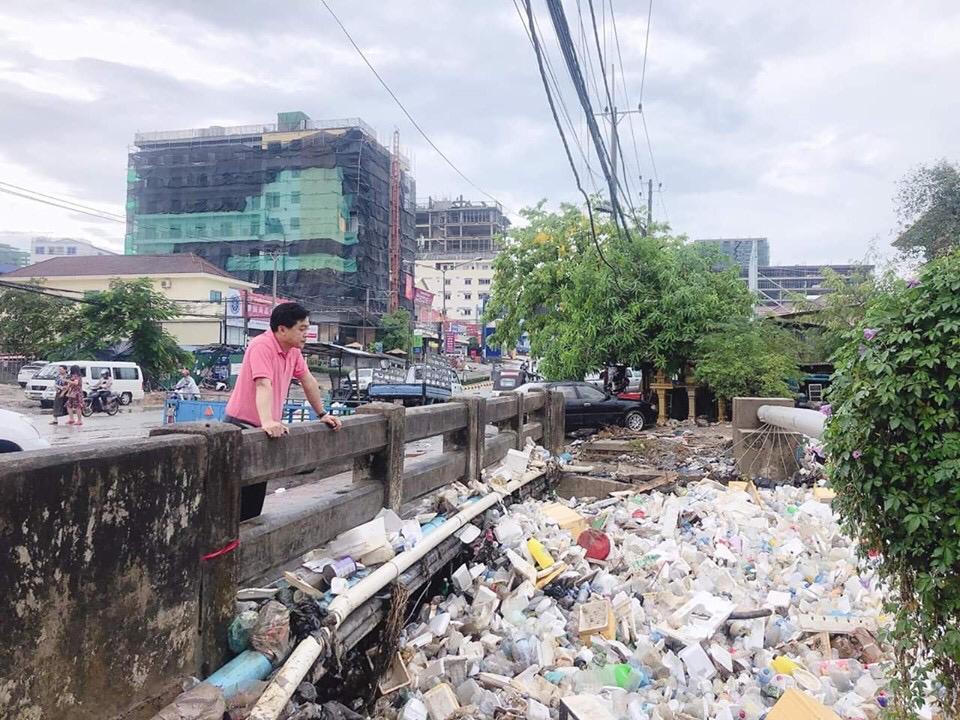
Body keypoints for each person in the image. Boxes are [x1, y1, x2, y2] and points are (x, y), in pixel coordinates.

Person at [225, 302, 342, 519]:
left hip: (263, 427)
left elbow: (308, 380)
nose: (306, 334)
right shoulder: (262, 346)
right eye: (302, 329)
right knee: (233, 497)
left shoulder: (293, 351)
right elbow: (263, 383)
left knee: (254, 498)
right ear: (282, 329)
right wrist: (268, 421)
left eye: (307, 329)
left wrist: (322, 414)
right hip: (241, 424)